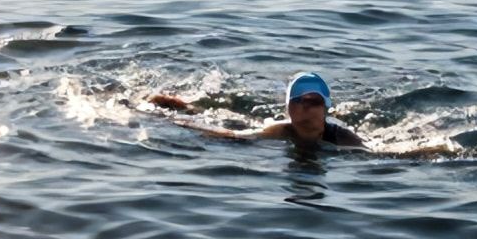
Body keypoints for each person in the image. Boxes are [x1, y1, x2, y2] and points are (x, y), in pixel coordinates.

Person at [149, 71, 366, 149]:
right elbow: (234, 136)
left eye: (314, 101)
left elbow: (378, 151)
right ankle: (185, 108)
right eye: (300, 100)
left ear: (326, 107)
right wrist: (177, 121)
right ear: (289, 107)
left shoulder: (343, 138)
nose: (307, 107)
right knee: (233, 122)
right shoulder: (281, 130)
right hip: (263, 128)